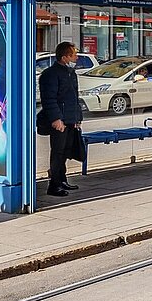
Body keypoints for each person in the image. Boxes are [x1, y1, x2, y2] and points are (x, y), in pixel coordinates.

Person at [38, 42, 84, 197]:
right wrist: (56, 119)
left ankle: (62, 179)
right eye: (73, 55)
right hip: (60, 120)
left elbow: (74, 98)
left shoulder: (71, 73)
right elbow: (49, 99)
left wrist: (77, 118)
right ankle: (54, 185)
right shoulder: (50, 74)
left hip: (70, 119)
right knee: (57, 152)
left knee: (65, 151)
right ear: (65, 57)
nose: (76, 57)